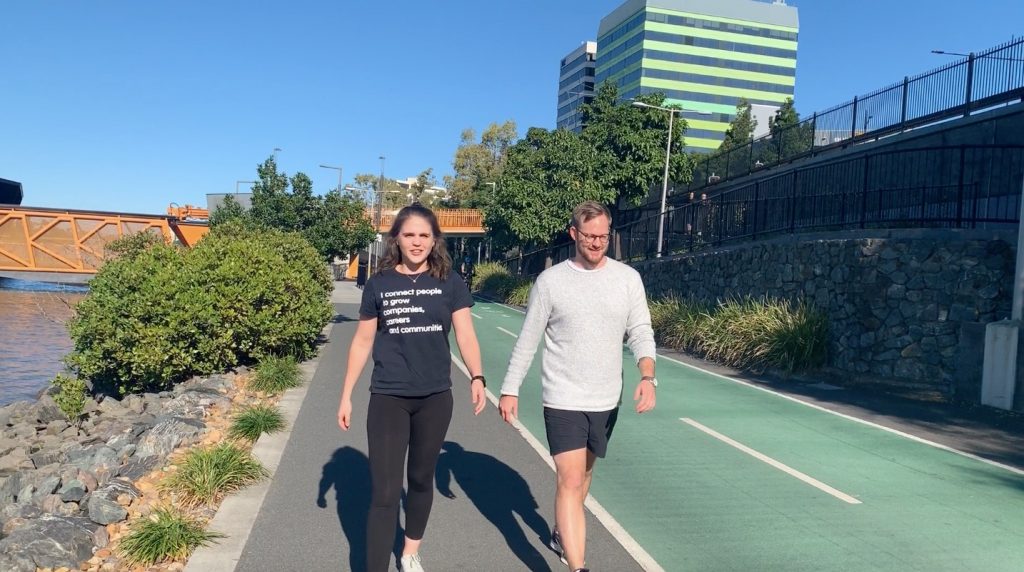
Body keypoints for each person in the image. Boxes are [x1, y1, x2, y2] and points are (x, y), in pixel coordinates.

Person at [498, 201, 657, 572]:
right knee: (569, 479)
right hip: (562, 397)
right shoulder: (551, 282)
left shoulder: (627, 279)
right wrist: (510, 388)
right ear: (574, 235)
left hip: (606, 398)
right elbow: (528, 339)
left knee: (584, 476)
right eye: (590, 236)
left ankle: (560, 532)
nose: (597, 242)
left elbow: (641, 331)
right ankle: (578, 566)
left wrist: (647, 376)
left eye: (603, 235)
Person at [338, 204, 487, 572]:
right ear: (396, 239)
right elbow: (361, 341)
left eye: (424, 235)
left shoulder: (449, 281)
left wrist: (478, 376)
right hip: (388, 396)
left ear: (434, 239)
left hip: (435, 397)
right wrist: (346, 395)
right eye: (409, 235)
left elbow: (465, 334)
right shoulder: (379, 284)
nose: (417, 242)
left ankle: (409, 552)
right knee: (386, 493)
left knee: (420, 479)